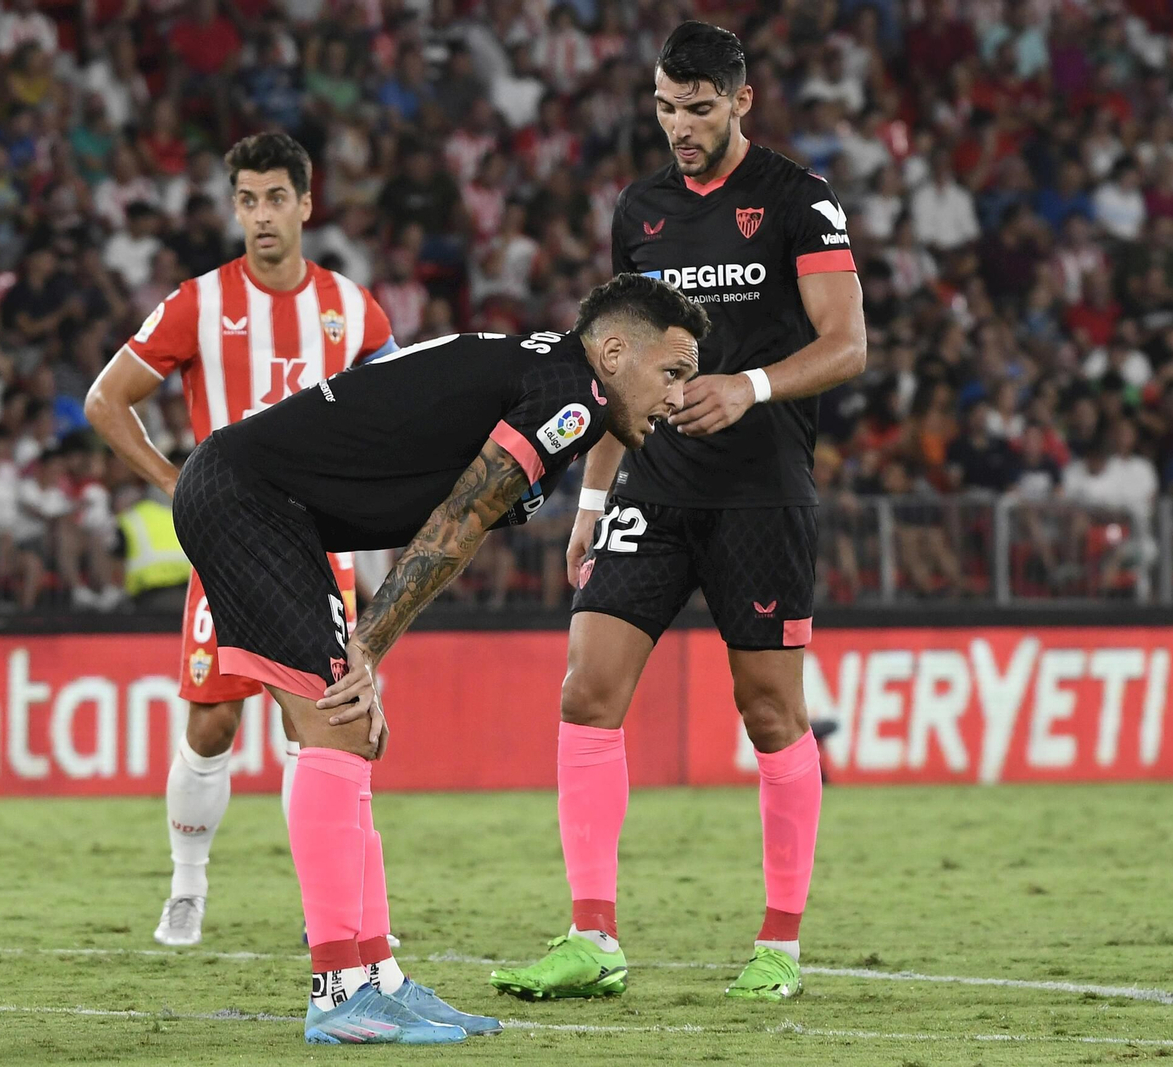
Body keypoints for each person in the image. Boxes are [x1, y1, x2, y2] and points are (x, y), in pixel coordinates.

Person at [173, 272, 707, 1043]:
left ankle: (376, 975)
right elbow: (459, 520)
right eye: (673, 372)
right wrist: (369, 649)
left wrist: (366, 649)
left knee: (350, 732)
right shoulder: (574, 395)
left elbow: (453, 515)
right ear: (616, 351)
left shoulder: (550, 377)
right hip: (248, 498)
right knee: (336, 725)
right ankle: (337, 990)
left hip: (267, 503)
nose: (678, 396)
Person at [487, 21, 867, 1004]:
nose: (680, 125)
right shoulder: (641, 211)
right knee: (584, 691)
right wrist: (592, 492)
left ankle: (780, 944)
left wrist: (746, 386)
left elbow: (847, 344)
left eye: (699, 106)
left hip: (760, 492)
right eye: (665, 106)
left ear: (740, 101)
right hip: (652, 487)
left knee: (769, 711)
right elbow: (621, 364)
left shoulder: (798, 201)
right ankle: (591, 935)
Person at [83, 132, 398, 949]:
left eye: (275, 199)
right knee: (211, 730)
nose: (261, 215)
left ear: (305, 203)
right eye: (247, 200)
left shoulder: (353, 309)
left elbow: (400, 414)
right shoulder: (198, 302)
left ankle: (320, 902)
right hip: (227, 552)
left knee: (320, 730)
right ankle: (187, 886)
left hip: (322, 550)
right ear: (236, 208)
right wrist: (177, 485)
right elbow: (107, 400)